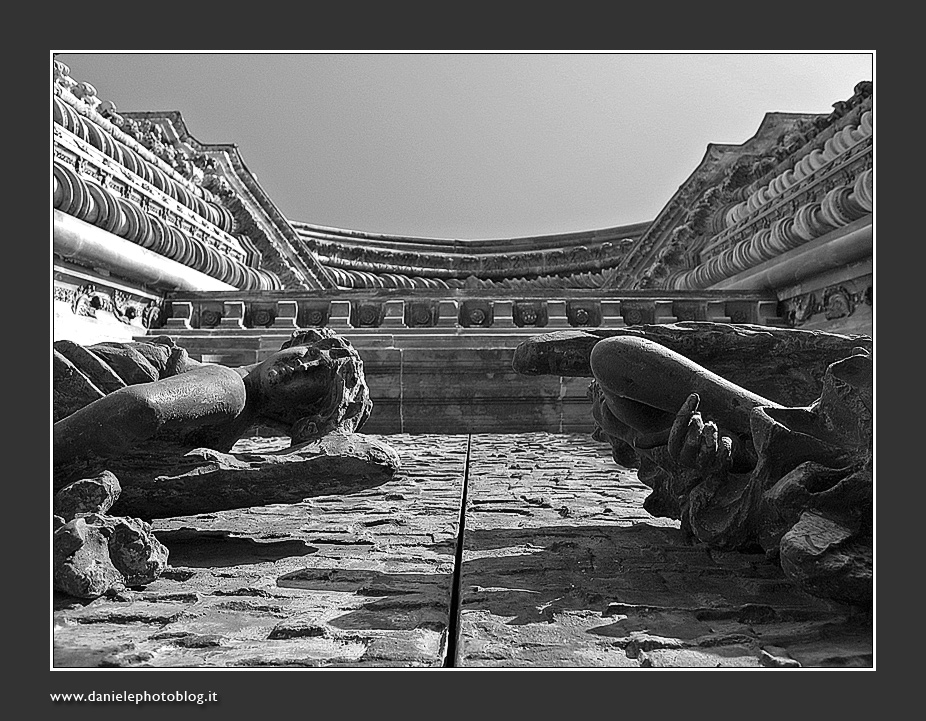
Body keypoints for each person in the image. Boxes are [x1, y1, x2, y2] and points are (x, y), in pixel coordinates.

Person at [53, 329, 372, 479]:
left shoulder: (234, 413)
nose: (302, 365)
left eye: (315, 376)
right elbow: (140, 408)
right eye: (310, 354)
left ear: (302, 418)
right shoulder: (231, 390)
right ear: (290, 345)